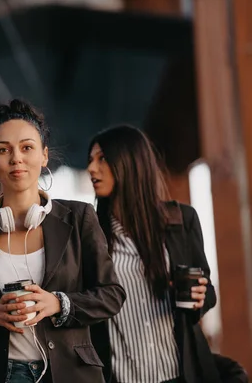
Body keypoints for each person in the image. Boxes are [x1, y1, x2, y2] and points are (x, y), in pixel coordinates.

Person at [0, 99, 126, 383]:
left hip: (71, 373)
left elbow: (112, 295)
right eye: (4, 150)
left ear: (44, 156)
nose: (16, 158)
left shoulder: (79, 217)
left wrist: (58, 304)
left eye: (26, 147)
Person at [87, 125, 223, 383]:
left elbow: (208, 293)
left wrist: (198, 297)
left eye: (102, 158)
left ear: (130, 162)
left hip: (181, 375)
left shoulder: (181, 220)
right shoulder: (91, 236)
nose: (92, 168)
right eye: (91, 160)